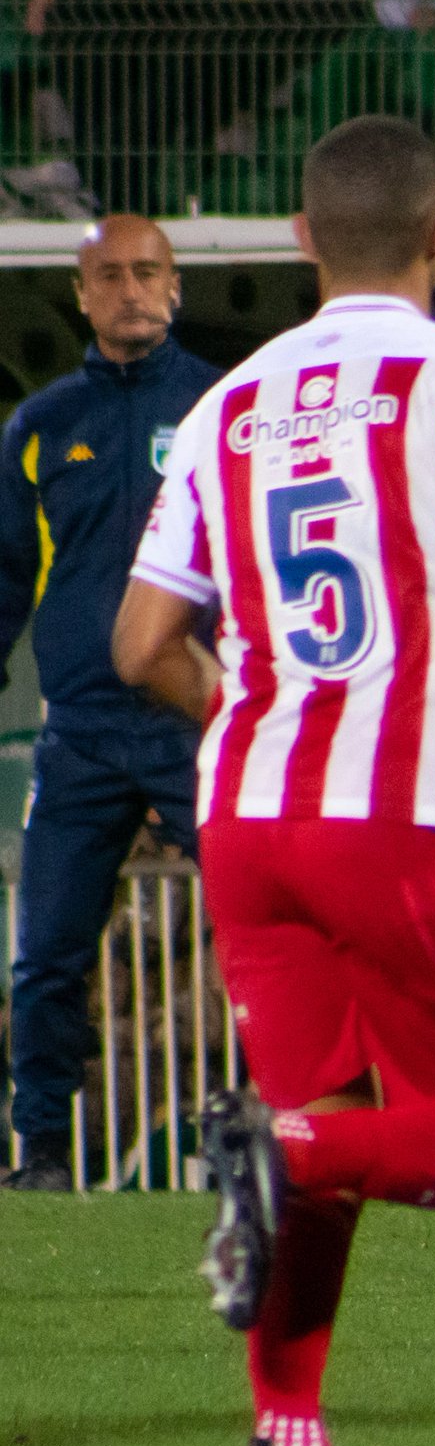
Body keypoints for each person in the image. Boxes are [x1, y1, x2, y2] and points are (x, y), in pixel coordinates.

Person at [111, 115, 435, 1446]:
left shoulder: (223, 406)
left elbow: (142, 640)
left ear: (300, 242)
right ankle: (279, 1155)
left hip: (246, 823)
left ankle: (287, 1439)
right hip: (389, 819)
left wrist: (254, 712)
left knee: (327, 1123)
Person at [0, 216, 218, 1193]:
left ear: (175, 286)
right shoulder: (40, 427)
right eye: (109, 275)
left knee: (269, 928)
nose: (130, 289)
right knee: (46, 953)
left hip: (198, 719)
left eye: (147, 272)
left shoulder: (221, 406)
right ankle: (41, 1151)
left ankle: (277, 1126)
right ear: (82, 294)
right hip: (80, 733)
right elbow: (8, 577)